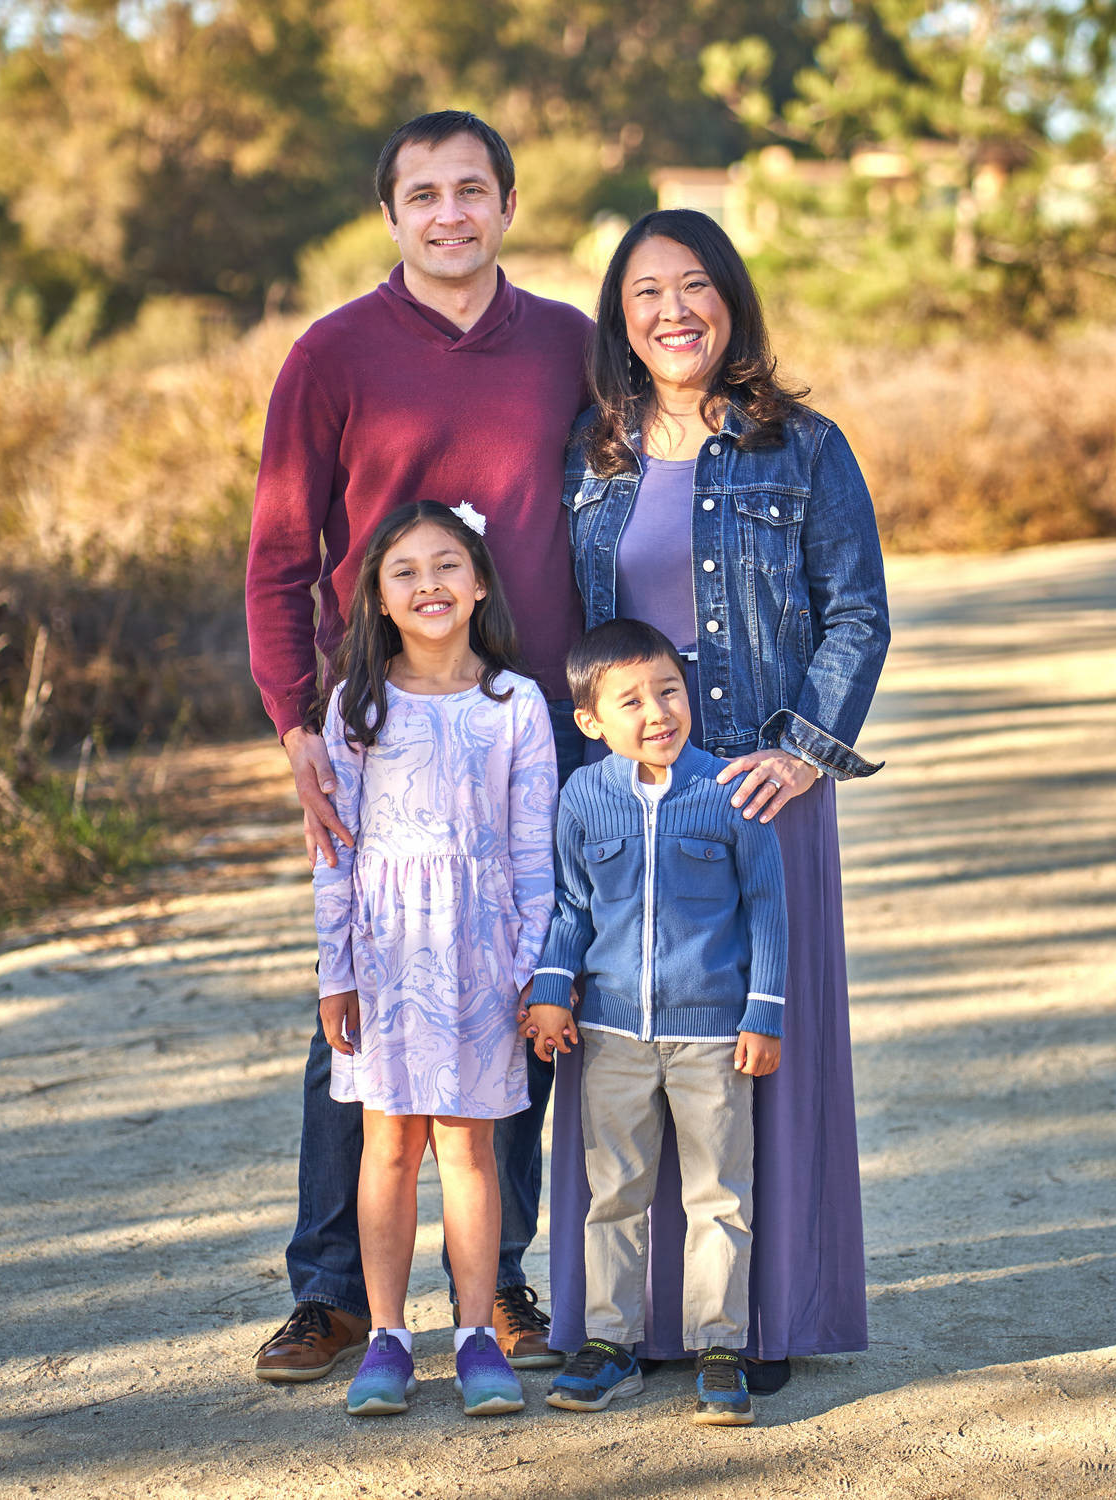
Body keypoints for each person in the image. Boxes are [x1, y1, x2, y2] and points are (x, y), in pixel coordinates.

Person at [247, 109, 592, 1381]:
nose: (450, 213)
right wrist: (298, 727)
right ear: (390, 216)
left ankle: (496, 1287)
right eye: (422, 194)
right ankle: (335, 1292)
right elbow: (282, 560)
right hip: (377, 720)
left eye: (471, 190)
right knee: (364, 1002)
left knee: (522, 992)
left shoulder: (567, 344)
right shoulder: (331, 355)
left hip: (532, 718)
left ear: (507, 202)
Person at [546, 209, 890, 1390]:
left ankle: (765, 1318)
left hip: (755, 790)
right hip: (630, 799)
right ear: (620, 320)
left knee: (754, 1051)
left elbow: (857, 613)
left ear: (730, 302)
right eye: (646, 293)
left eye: (695, 287)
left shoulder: (805, 446)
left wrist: (803, 751)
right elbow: (576, 633)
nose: (673, 311)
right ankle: (635, 1325)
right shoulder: (593, 457)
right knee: (628, 1048)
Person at [313, 501, 557, 1416]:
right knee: (388, 1148)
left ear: (481, 582)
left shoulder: (515, 704)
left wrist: (537, 968)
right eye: (404, 571)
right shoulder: (356, 706)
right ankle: (386, 1337)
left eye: (448, 565)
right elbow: (333, 846)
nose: (429, 586)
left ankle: (475, 1336)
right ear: (377, 598)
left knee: (469, 1148)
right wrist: (334, 967)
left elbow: (536, 851)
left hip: (481, 955)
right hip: (385, 954)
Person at [522, 619, 787, 1426]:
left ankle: (719, 1348)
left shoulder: (730, 789)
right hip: (608, 1036)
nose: (657, 712)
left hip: (713, 1038)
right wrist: (551, 988)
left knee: (719, 1196)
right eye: (630, 700)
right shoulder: (583, 796)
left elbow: (767, 908)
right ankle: (609, 1343)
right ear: (592, 721)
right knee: (614, 1195)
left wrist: (764, 1011)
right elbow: (571, 904)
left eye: (668, 691)